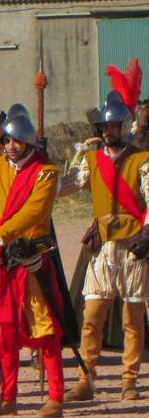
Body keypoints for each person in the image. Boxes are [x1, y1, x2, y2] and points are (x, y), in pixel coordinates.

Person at [0, 107, 69, 418]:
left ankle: (57, 397)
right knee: (4, 330)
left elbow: (34, 211)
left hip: (31, 256)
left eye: (16, 141)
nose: (10, 146)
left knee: (45, 328)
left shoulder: (47, 171)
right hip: (5, 261)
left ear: (29, 142)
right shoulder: (0, 168)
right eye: (7, 141)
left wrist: (0, 235)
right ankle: (8, 397)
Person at [58, 91, 149, 402]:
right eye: (104, 126)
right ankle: (86, 378)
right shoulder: (91, 161)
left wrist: (147, 235)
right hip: (104, 247)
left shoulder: (142, 159)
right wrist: (44, 170)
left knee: (133, 318)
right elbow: (65, 187)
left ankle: (129, 380)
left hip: (133, 244)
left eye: (114, 125)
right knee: (92, 315)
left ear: (124, 126)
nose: (108, 130)